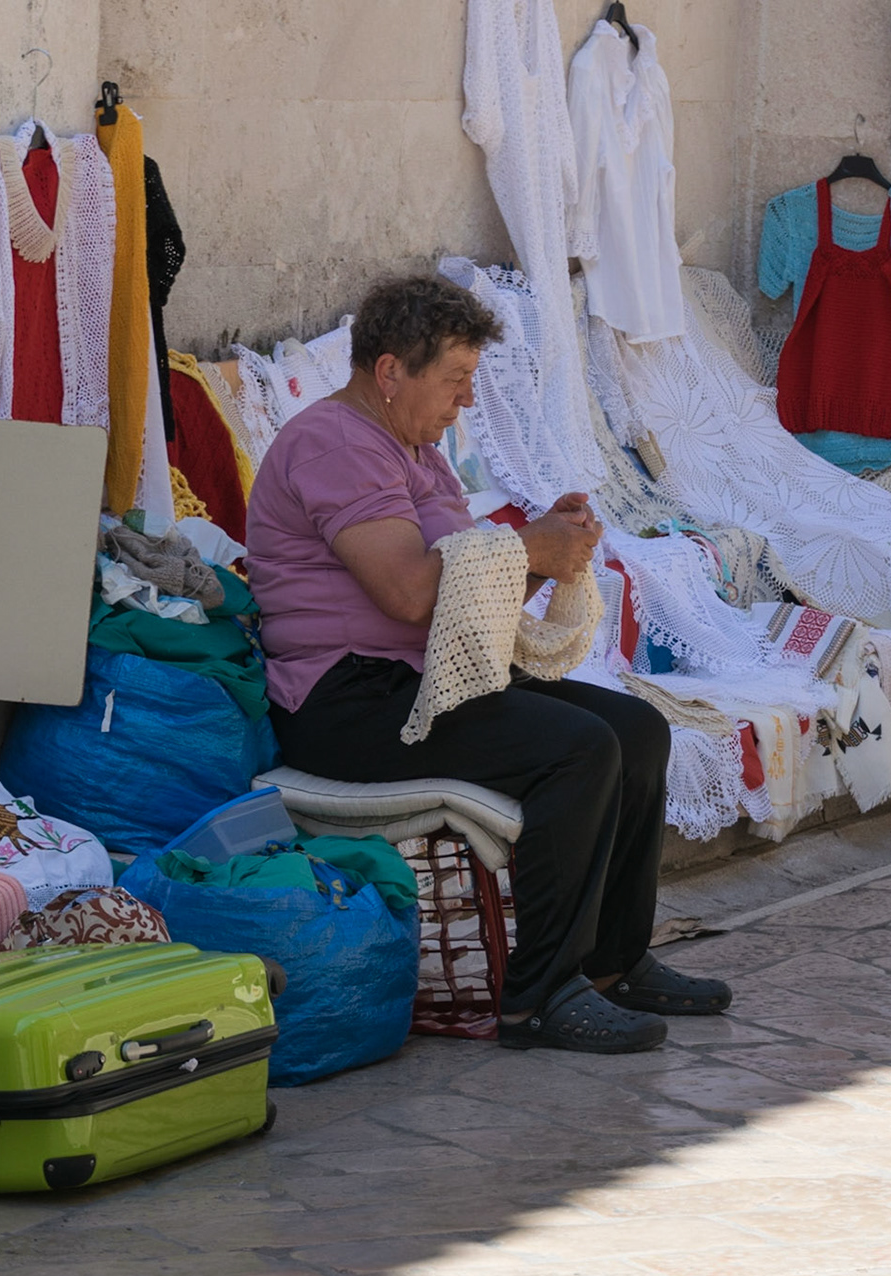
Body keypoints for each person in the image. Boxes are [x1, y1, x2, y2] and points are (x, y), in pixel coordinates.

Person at [245, 275, 731, 1054]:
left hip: (418, 680)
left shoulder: (419, 453)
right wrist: (526, 549)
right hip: (345, 703)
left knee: (638, 729)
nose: (466, 400)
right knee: (578, 749)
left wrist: (549, 551)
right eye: (456, 378)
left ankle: (613, 964)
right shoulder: (334, 442)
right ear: (391, 372)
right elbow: (408, 593)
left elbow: (470, 588)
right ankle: (539, 995)